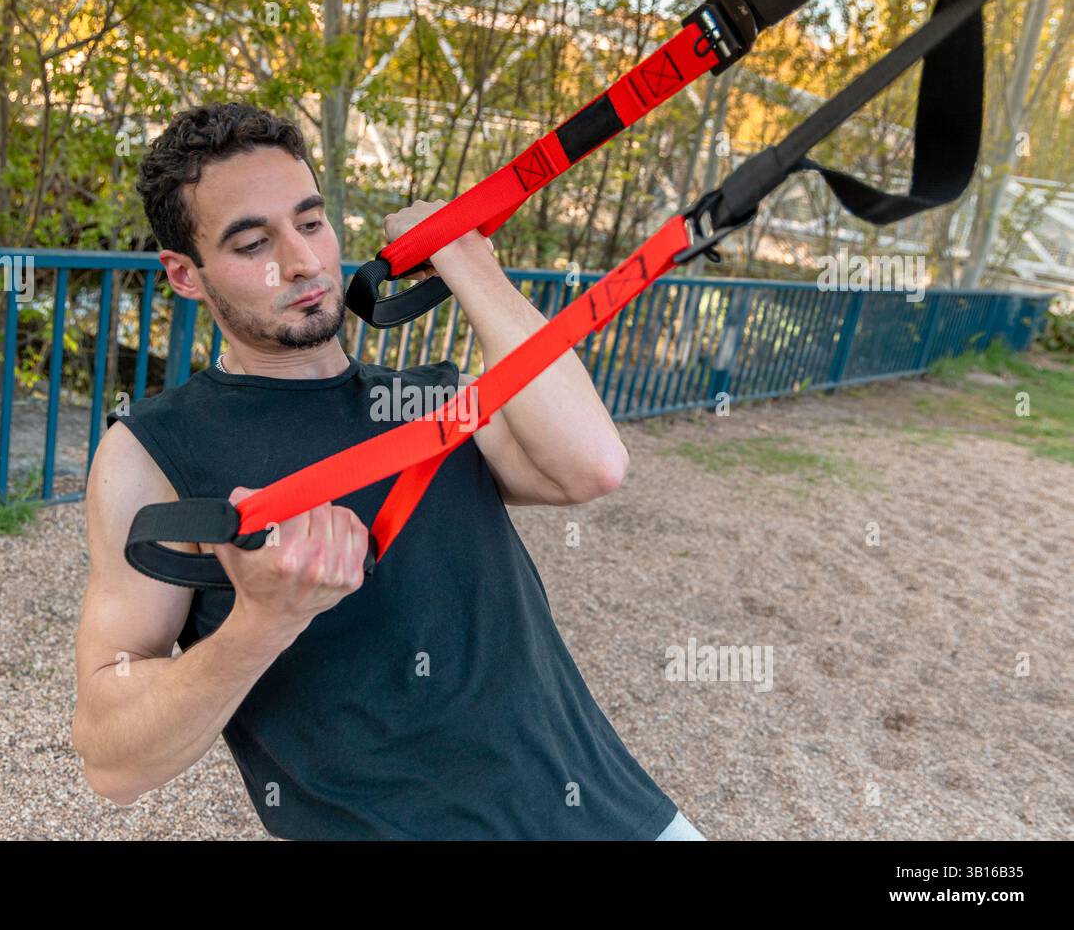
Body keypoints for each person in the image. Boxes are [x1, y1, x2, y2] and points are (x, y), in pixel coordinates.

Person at [71, 101, 704, 840]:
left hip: (623, 819)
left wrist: (466, 258)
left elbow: (593, 465)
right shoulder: (155, 450)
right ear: (183, 274)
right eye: (252, 243)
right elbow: (111, 760)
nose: (303, 261)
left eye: (310, 222)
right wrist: (261, 624)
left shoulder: (428, 397)